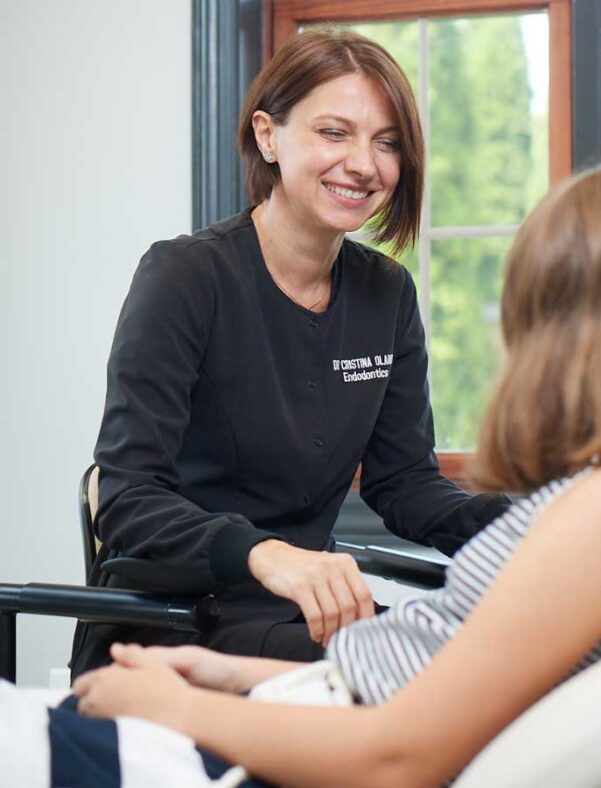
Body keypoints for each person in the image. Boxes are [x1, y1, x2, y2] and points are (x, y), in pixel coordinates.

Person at [0, 161, 601, 787]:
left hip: (271, 757)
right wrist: (221, 671)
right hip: (281, 702)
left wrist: (178, 707)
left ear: (576, 328)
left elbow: (395, 758)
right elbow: (421, 677)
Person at [72, 29, 512, 676]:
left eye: (386, 142)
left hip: (301, 623)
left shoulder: (386, 295)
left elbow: (406, 487)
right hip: (171, 628)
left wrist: (526, 527)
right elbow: (129, 499)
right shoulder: (184, 278)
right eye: (334, 133)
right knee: (429, 685)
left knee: (472, 669)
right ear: (268, 136)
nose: (364, 163)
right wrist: (266, 555)